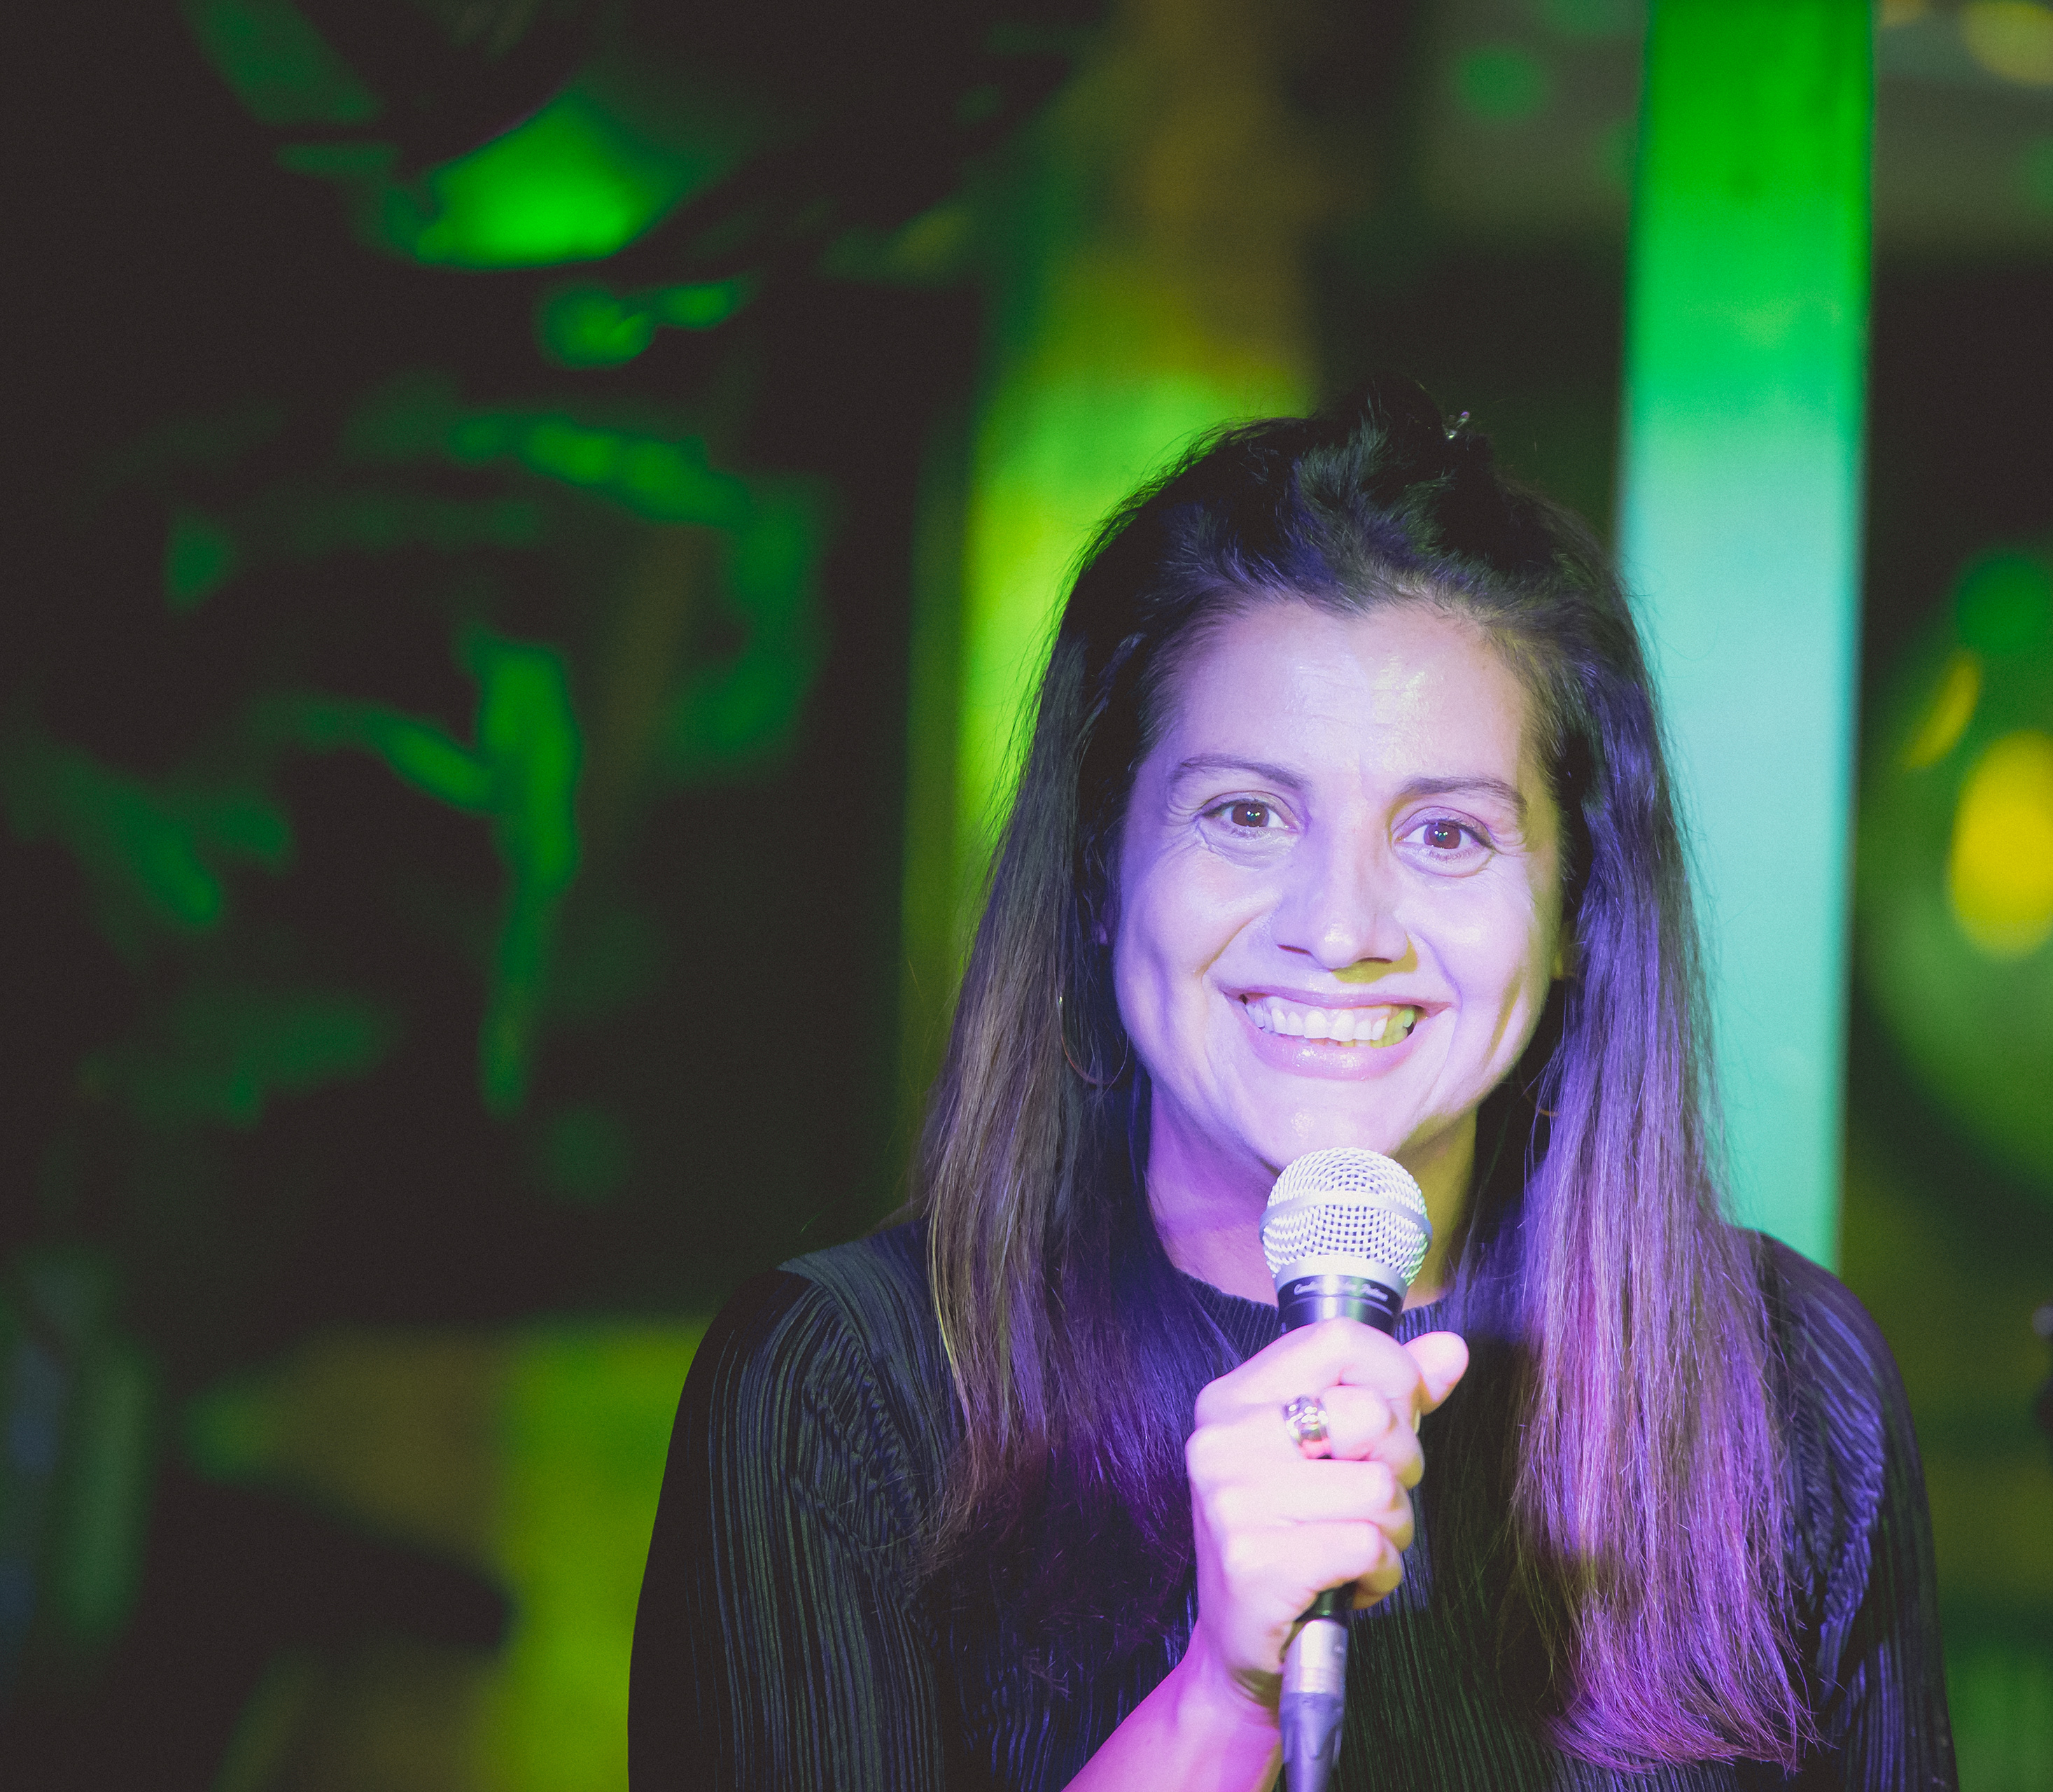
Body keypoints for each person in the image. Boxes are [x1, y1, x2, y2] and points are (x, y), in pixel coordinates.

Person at [629, 378, 1957, 1791]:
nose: (1339, 928)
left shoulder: (1783, 1383)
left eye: (1446, 834)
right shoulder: (842, 1390)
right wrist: (1223, 1698)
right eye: (1246, 813)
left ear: (1577, 905)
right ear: (1102, 865)